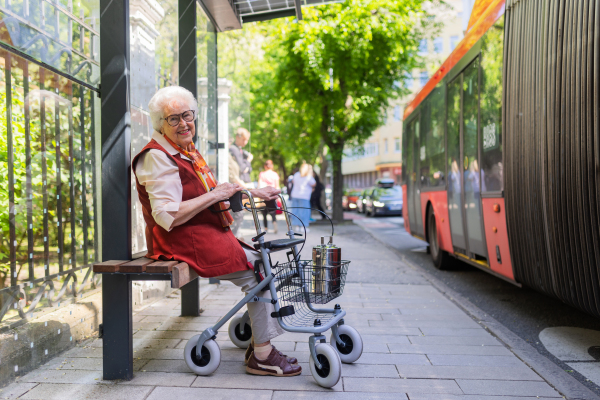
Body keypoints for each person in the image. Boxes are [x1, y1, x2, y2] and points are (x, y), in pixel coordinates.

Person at [133, 86, 301, 377]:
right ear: (160, 124)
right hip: (180, 239)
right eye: (174, 118)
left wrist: (252, 191)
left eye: (188, 115)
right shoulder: (156, 157)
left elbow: (213, 189)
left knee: (259, 261)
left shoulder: (183, 150)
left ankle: (257, 336)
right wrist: (216, 196)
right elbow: (167, 216)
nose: (184, 123)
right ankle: (261, 355)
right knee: (255, 270)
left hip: (201, 232)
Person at [229, 128, 253, 238]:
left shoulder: (240, 151)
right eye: (244, 139)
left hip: (242, 183)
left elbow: (249, 169)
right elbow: (243, 168)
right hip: (238, 183)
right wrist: (248, 161)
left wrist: (247, 165)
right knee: (238, 214)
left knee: (240, 214)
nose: (245, 143)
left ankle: (237, 238)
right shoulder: (233, 149)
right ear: (237, 137)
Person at [290, 163, 316, 232]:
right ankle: (303, 226)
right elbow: (314, 184)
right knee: (304, 211)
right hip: (304, 196)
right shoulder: (308, 176)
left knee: (296, 211)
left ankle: (297, 226)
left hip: (295, 195)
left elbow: (293, 181)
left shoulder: (296, 174)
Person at [258, 160, 280, 233]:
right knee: (273, 212)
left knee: (264, 213)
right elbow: (277, 186)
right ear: (272, 166)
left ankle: (266, 228)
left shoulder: (262, 174)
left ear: (265, 166)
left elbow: (259, 186)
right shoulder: (275, 174)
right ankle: (274, 224)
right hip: (272, 195)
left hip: (264, 195)